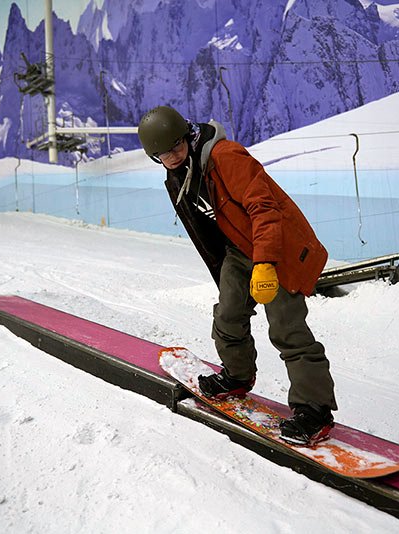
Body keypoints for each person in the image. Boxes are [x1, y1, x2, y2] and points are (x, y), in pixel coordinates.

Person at [138, 106, 337, 446]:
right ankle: (238, 375)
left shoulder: (225, 156)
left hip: (276, 249)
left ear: (186, 135)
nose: (171, 157)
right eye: (161, 154)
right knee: (228, 315)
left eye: (174, 147)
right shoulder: (178, 174)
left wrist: (265, 263)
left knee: (287, 328)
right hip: (238, 251)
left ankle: (314, 409)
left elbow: (264, 208)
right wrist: (226, 270)